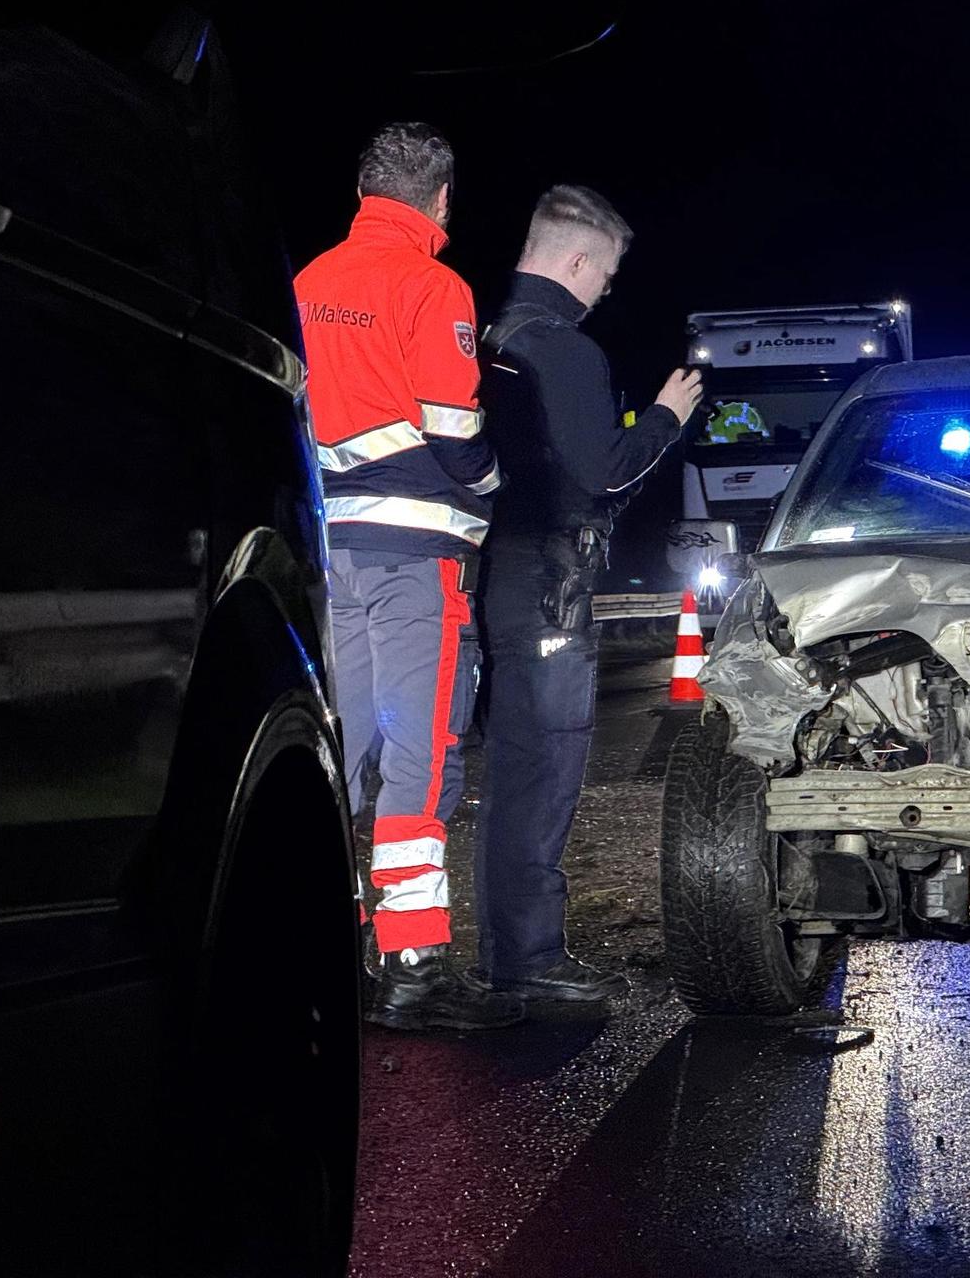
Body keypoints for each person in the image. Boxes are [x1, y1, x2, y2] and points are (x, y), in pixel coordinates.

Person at [294, 122, 523, 1031]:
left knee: (341, 751)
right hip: (419, 552)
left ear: (363, 192)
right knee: (421, 758)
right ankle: (417, 968)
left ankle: (324, 942)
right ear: (440, 200)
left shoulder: (309, 281)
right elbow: (453, 428)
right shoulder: (435, 285)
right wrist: (501, 485)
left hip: (332, 549)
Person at [477, 185, 702, 1001]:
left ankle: (504, 951)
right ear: (577, 263)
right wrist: (664, 419)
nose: (605, 291)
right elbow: (604, 471)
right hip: (549, 586)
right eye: (604, 276)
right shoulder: (565, 350)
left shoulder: (489, 335)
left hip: (492, 577)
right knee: (545, 767)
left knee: (509, 770)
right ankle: (529, 961)